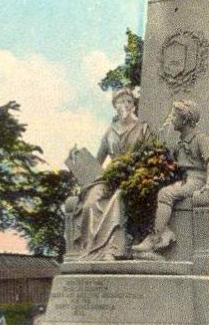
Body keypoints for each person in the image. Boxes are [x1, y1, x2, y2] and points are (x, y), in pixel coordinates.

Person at [65, 89, 152, 261]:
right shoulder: (110, 132)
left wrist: (136, 172)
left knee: (118, 198)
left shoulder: (143, 129)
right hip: (111, 176)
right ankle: (92, 250)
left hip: (134, 177)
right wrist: (77, 158)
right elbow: (98, 161)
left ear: (134, 106)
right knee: (90, 202)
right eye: (120, 102)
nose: (124, 105)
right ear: (115, 106)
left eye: (128, 101)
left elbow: (150, 158)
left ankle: (113, 250)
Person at [132, 99, 209, 253]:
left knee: (165, 194)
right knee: (147, 188)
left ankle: (155, 239)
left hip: (196, 179)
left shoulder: (200, 138)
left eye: (174, 115)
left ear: (185, 119)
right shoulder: (179, 141)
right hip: (182, 179)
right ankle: (162, 232)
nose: (171, 118)